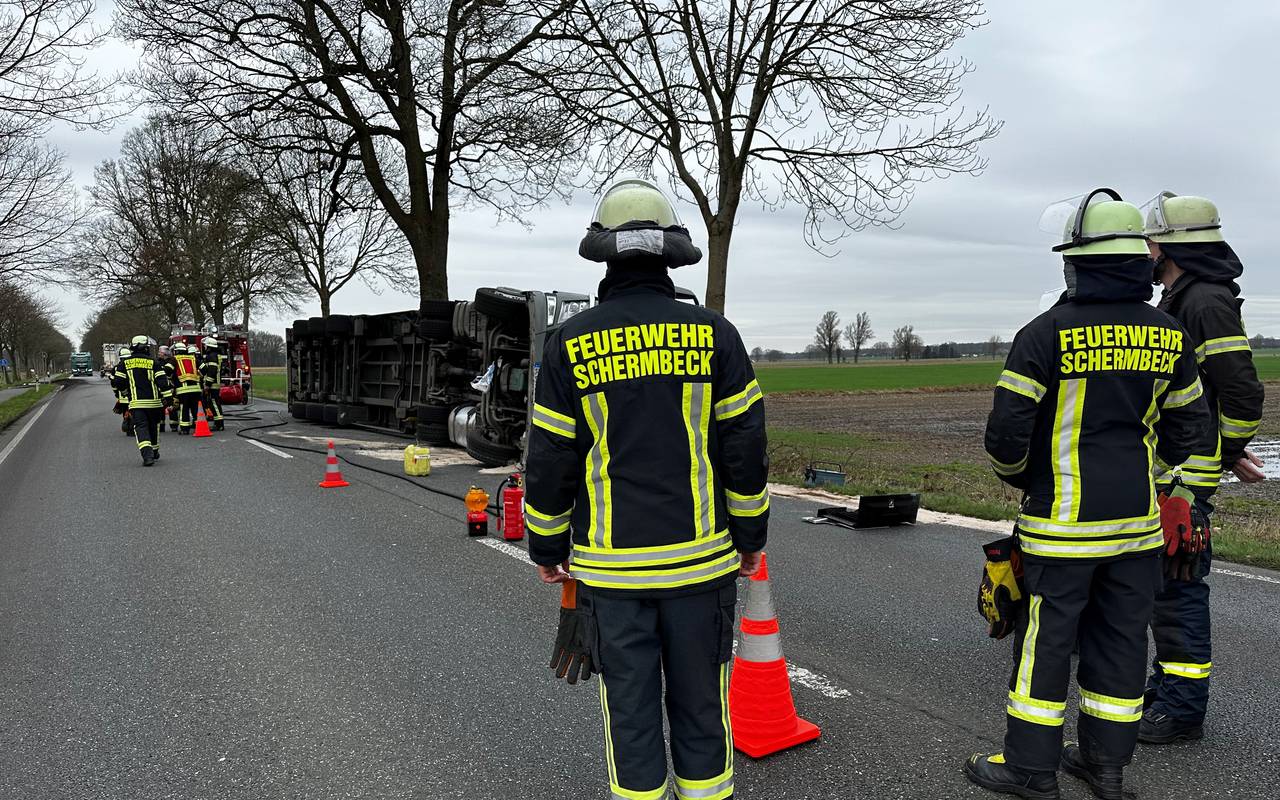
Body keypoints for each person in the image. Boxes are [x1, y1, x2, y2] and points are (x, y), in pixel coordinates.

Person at [524, 178, 769, 800]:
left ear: (605, 256)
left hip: (613, 573)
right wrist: (750, 538)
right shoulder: (717, 335)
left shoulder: (568, 344)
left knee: (629, 716)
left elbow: (550, 457)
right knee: (701, 709)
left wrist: (547, 546)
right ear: (669, 254)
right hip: (701, 566)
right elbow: (745, 449)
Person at [966, 189, 1210, 800]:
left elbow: (1005, 437)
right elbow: (1190, 431)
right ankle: (1106, 768)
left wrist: (1027, 479)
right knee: (1122, 645)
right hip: (1136, 529)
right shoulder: (1170, 334)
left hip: (1061, 529)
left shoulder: (1044, 333)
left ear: (1079, 260)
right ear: (1135, 262)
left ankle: (1030, 770)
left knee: (1046, 646)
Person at [1140, 193, 1266, 744]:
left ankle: (1182, 708)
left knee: (1178, 590)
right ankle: (1167, 687)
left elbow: (1241, 389)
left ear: (1169, 246)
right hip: (1174, 471)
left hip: (1184, 480)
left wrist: (1230, 448)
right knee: (1163, 588)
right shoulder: (1184, 296)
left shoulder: (1205, 301)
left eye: (1150, 242)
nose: (1145, 252)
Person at [111, 335, 172, 466]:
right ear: (145, 347)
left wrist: (126, 393)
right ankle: (154, 451)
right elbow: (162, 382)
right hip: (154, 403)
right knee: (153, 427)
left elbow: (118, 382)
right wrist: (169, 399)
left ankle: (148, 456)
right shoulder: (153, 362)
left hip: (137, 404)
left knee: (141, 428)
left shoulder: (124, 363)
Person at [171, 342, 204, 434]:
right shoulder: (193, 358)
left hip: (183, 389)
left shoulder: (175, 359)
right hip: (196, 389)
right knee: (195, 408)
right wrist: (199, 376)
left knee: (184, 408)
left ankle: (185, 429)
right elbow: (204, 369)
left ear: (176, 351)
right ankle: (199, 426)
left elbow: (167, 369)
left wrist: (172, 378)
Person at [200, 337, 225, 431]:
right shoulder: (216, 355)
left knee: (214, 403)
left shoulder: (211, 356)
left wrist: (207, 384)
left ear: (209, 346)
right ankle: (218, 423)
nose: (205, 347)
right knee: (214, 403)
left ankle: (219, 424)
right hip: (215, 383)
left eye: (206, 345)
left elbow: (212, 371)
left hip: (212, 384)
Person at [112, 346, 135, 436]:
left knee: (125, 410)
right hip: (134, 393)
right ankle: (133, 428)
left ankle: (127, 426)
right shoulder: (133, 365)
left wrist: (116, 393)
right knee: (134, 411)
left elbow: (114, 383)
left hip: (122, 395)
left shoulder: (116, 368)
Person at [157, 344, 179, 432]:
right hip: (161, 387)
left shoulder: (172, 361)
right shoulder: (158, 362)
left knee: (172, 405)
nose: (159, 354)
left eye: (160, 352)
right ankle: (161, 425)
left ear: (165, 353)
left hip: (171, 386)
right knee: (160, 406)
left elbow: (168, 371)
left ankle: (174, 425)